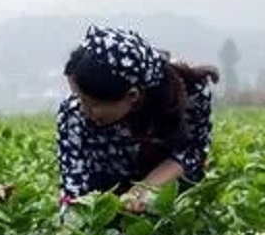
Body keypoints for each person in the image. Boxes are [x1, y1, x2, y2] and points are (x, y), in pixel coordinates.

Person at [57, 25, 219, 217]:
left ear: (132, 96)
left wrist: (146, 188)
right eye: (78, 97)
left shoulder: (190, 93)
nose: (83, 110)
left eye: (92, 104)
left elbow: (192, 152)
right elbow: (73, 191)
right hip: (106, 204)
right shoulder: (73, 114)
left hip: (169, 196)